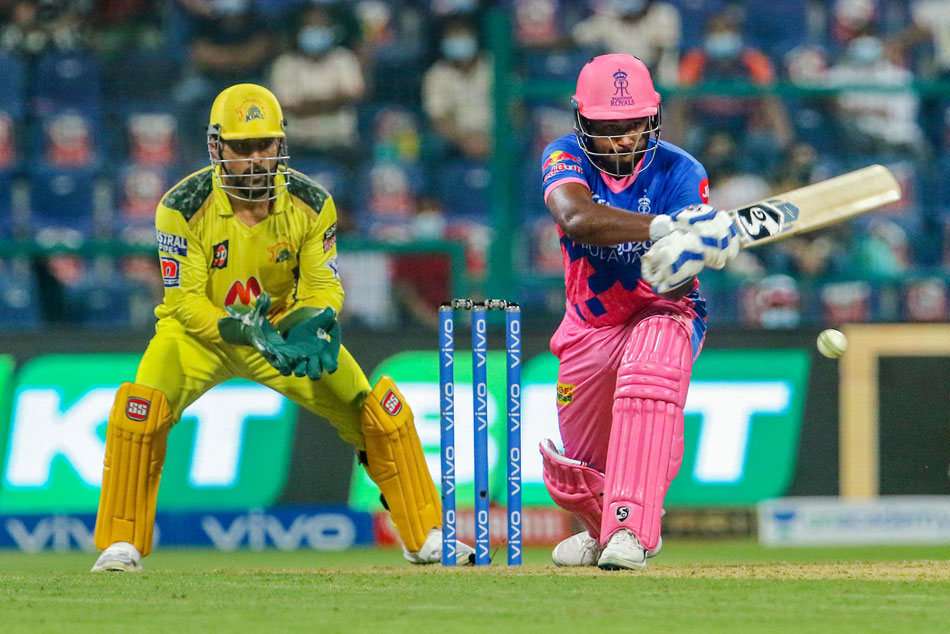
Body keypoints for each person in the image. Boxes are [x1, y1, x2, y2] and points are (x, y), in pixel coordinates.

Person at [90, 83, 473, 572]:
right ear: (217, 148)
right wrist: (245, 333)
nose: (256, 159)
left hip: (281, 333)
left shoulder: (311, 202)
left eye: (265, 145)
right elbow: (184, 302)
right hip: (199, 337)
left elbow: (323, 286)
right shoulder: (181, 206)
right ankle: (121, 544)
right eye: (243, 147)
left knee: (376, 413)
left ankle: (426, 535)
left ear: (281, 143)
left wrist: (311, 323)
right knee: (139, 414)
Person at [538, 54, 739, 570]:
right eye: (609, 128)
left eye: (633, 125)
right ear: (582, 121)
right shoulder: (564, 155)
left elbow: (683, 269)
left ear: (653, 118)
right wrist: (663, 228)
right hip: (589, 324)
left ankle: (630, 528)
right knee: (573, 473)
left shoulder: (681, 169)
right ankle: (602, 530)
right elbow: (575, 217)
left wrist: (700, 248)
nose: (623, 139)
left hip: (664, 311)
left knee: (648, 379)